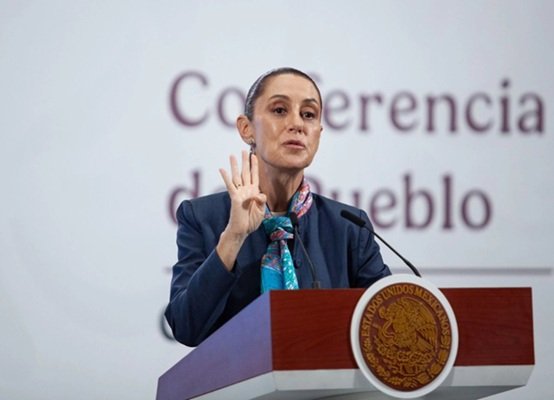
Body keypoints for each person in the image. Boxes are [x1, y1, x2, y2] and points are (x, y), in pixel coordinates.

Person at [165, 67, 391, 347]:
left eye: (308, 114)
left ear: (318, 134)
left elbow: (389, 323)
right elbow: (186, 327)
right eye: (280, 110)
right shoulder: (202, 217)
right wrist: (233, 237)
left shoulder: (349, 227)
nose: (297, 124)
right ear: (246, 128)